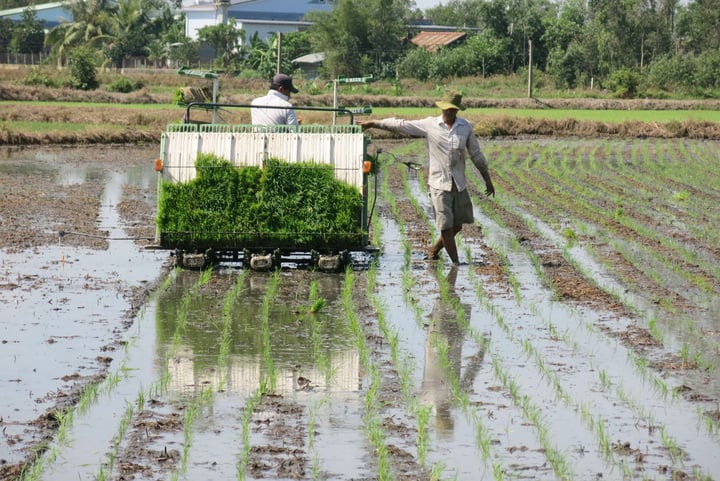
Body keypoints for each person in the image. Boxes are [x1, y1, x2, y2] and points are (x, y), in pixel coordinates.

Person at [359, 91, 495, 264]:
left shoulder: (465, 127)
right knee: (446, 227)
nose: (448, 113)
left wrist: (487, 180)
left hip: (459, 183)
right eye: (446, 109)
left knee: (457, 226)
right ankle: (456, 264)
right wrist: (374, 123)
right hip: (438, 183)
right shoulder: (430, 124)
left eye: (452, 110)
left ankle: (434, 249)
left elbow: (476, 154)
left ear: (457, 110)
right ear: (441, 108)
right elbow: (401, 125)